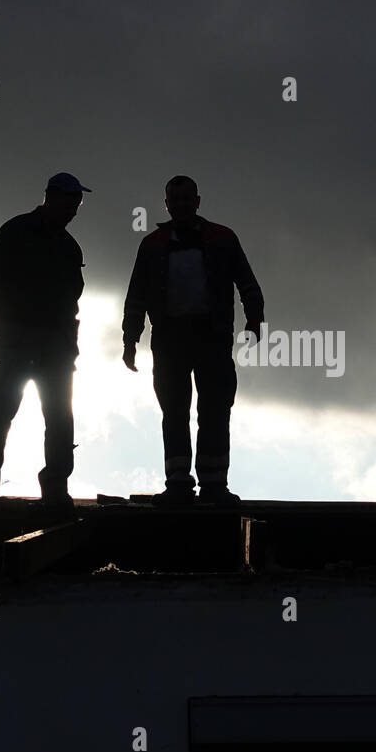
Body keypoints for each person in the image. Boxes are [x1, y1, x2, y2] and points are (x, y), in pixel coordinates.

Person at [122, 175, 264, 506]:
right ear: (167, 204)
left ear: (198, 201)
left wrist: (254, 318)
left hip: (212, 338)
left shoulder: (223, 238)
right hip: (169, 342)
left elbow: (246, 281)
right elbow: (136, 298)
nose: (182, 205)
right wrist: (130, 340)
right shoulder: (152, 245)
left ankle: (214, 483)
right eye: (175, 199)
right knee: (174, 411)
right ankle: (178, 483)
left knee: (215, 410)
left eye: (187, 199)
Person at [0, 172, 90, 510]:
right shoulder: (15, 231)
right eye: (70, 201)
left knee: (59, 416)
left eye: (78, 203)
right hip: (12, 343)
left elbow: (72, 297)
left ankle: (55, 490)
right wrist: (2, 325)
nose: (75, 209)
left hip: (55, 347)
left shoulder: (68, 247)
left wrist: (64, 339)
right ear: (51, 196)